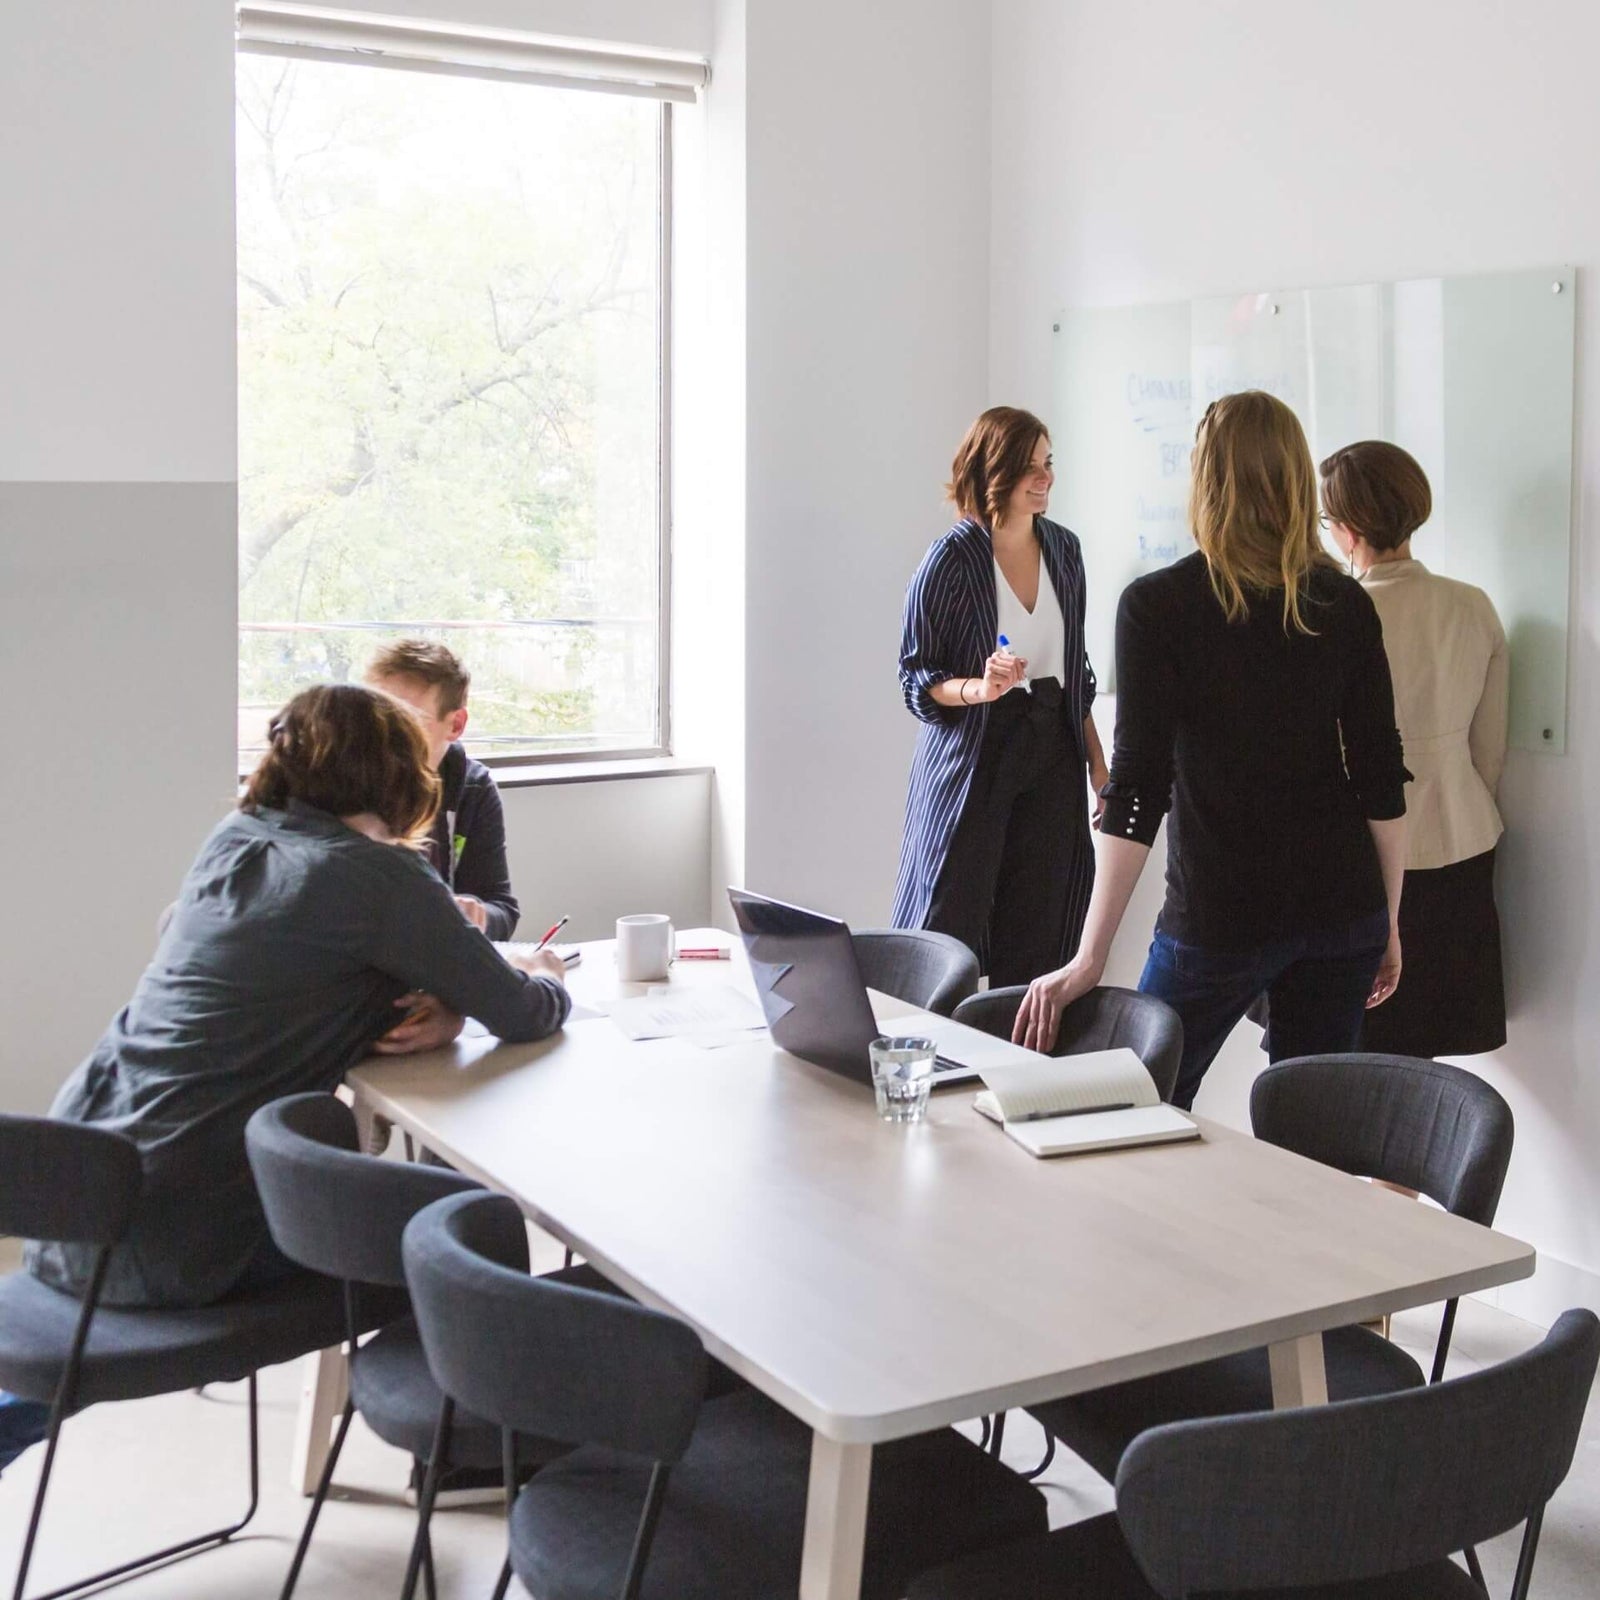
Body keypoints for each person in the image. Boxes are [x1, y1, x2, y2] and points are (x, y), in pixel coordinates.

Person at [1012, 391, 1411, 1110]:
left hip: (1221, 913)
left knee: (1135, 1111)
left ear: (1204, 480)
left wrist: (1090, 954)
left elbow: (1136, 791)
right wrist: (1387, 919)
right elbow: (1381, 782)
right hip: (1339, 910)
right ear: (1293, 481)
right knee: (1311, 1147)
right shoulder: (1344, 604)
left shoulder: (1159, 607)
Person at [893, 406, 1108, 986]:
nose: (1045, 478)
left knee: (1041, 932)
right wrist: (980, 688)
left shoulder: (1064, 550)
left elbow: (1075, 674)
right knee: (946, 927)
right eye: (1029, 467)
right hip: (974, 756)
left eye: (1048, 463)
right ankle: (928, 1064)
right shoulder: (952, 558)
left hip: (1051, 751)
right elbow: (917, 677)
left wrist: (1099, 770)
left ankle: (1021, 1068)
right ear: (994, 471)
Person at [1320, 440, 1508, 1055]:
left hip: (1360, 848)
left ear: (1347, 531)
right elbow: (1490, 752)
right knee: (1428, 1045)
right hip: (1461, 836)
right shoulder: (1473, 605)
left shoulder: (1335, 613)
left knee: (1348, 1049)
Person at [365, 639, 520, 939]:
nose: (386, 736)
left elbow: (502, 909)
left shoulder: (472, 788)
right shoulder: (339, 786)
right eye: (376, 717)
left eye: (409, 720)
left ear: (455, 725)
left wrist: (478, 914)